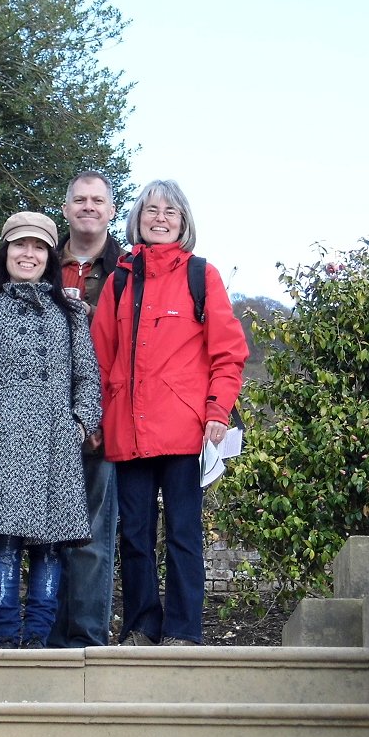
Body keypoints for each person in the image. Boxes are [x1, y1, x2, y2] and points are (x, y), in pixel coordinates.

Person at [90, 180, 248, 646]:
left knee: (183, 534)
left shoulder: (203, 275)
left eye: (170, 212)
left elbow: (228, 352)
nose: (160, 218)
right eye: (151, 210)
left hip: (184, 429)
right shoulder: (120, 280)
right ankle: (142, 625)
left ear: (184, 223)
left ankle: (183, 630)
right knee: (134, 535)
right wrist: (96, 419)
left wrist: (219, 410)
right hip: (127, 431)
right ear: (137, 218)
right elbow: (101, 357)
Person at [0, 211, 102, 648]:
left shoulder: (70, 312)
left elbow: (87, 376)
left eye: (38, 247)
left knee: (50, 546)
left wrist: (78, 423)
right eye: (20, 245)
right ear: (6, 251)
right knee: (6, 542)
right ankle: (4, 637)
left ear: (50, 256)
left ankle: (36, 637)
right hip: (1, 443)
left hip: (57, 442)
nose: (28, 254)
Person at [47, 171, 124, 648]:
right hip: (41, 422)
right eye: (80, 200)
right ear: (67, 208)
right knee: (42, 533)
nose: (89, 207)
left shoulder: (128, 270)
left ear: (112, 211)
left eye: (98, 200)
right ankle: (43, 639)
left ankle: (86, 640)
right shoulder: (39, 262)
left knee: (93, 535)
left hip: (103, 420)